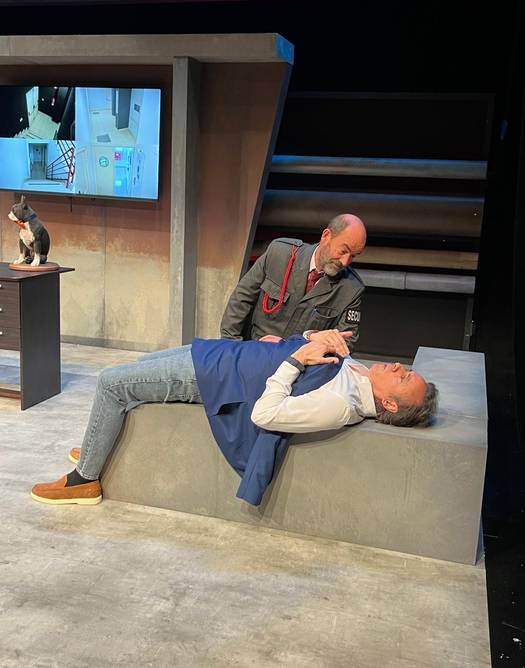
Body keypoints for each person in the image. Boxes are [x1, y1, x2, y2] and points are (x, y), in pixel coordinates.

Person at [31, 329, 437, 507]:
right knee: (138, 366)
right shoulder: (358, 372)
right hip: (227, 356)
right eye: (406, 369)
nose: (398, 367)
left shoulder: (341, 404)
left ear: (389, 405)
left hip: (220, 379)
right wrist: (313, 338)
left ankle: (84, 480)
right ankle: (98, 447)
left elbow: (267, 413)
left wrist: (296, 358)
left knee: (112, 383)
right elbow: (302, 353)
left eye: (404, 378)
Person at [220, 214, 367, 351]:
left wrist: (307, 339)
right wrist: (231, 349)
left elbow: (345, 344)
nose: (345, 262)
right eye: (343, 251)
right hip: (256, 352)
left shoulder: (351, 289)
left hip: (301, 365)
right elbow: (241, 300)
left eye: (353, 256)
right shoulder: (280, 254)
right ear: (326, 236)